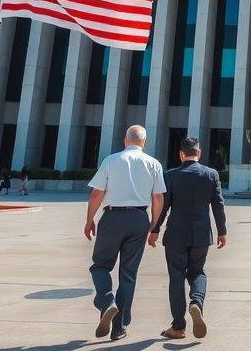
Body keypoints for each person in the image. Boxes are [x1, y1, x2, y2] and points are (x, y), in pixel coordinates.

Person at [85, 124, 166, 342]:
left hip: (112, 217)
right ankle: (119, 327)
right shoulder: (153, 163)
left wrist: (89, 220)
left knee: (100, 266)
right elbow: (158, 197)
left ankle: (106, 301)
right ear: (144, 142)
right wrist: (154, 224)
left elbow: (97, 193)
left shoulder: (111, 160)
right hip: (139, 218)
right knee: (128, 274)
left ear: (124, 140)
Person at [148, 136, 227, 340]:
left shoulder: (171, 175)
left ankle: (178, 326)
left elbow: (164, 206)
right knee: (198, 272)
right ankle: (196, 302)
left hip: (176, 234)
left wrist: (154, 229)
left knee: (176, 278)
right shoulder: (211, 174)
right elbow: (218, 205)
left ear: (181, 154)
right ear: (198, 153)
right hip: (201, 233)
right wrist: (222, 231)